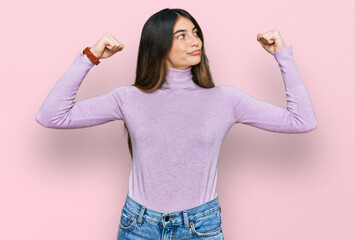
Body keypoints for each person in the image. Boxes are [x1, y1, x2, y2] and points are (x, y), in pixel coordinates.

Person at [36, 7, 317, 240]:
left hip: (200, 227)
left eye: (195, 33)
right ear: (158, 45)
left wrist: (283, 56)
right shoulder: (129, 98)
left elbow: (301, 120)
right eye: (181, 35)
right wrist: (90, 57)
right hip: (138, 226)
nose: (194, 41)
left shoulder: (225, 100)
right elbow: (52, 115)